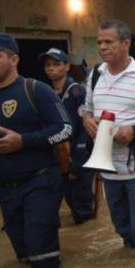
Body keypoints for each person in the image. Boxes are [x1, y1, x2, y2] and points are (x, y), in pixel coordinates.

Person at [0, 33, 72, 268]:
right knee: (24, 257)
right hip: (4, 191)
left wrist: (23, 141)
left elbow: (65, 129)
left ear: (14, 59)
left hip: (39, 183)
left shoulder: (36, 90)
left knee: (43, 260)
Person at [82, 21, 135, 255]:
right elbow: (86, 109)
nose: (103, 47)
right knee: (122, 228)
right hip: (108, 167)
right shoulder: (95, 75)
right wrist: (87, 120)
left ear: (126, 43)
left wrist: (134, 131)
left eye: (108, 42)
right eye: (99, 42)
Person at [41, 47, 94, 224]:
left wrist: (78, 163)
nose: (51, 68)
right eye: (48, 65)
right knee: (63, 200)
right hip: (57, 159)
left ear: (66, 67)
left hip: (78, 158)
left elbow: (84, 129)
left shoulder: (77, 92)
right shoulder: (44, 93)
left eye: (56, 64)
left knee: (81, 206)